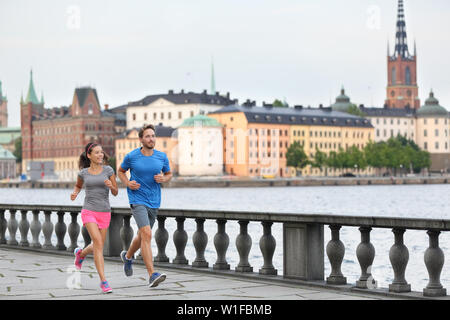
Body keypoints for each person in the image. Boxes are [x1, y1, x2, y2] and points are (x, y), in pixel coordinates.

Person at [118, 124, 172, 288]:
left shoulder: (161, 156)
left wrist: (164, 178)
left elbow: (169, 174)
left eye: (153, 136)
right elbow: (120, 171)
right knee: (147, 234)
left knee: (142, 235)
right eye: (148, 136)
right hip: (137, 199)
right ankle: (152, 274)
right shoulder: (132, 156)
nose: (151, 139)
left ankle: (128, 257)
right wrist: (127, 182)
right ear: (141, 139)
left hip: (154, 200)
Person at [70, 142, 118, 294]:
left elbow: (116, 192)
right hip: (88, 210)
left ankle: (81, 254)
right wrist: (75, 193)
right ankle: (104, 281)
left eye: (101, 152)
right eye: (96, 152)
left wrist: (111, 186)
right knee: (97, 243)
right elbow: (78, 186)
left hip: (104, 211)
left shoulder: (109, 170)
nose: (100, 155)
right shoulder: (83, 173)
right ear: (89, 155)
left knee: (98, 245)